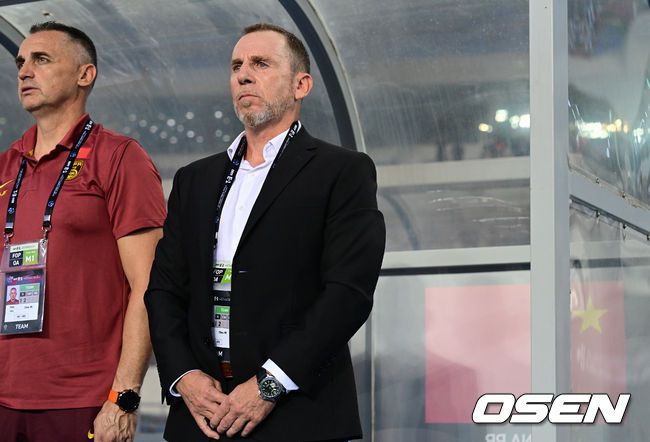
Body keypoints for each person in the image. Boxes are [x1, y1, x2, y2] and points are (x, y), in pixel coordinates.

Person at [145, 23, 385, 441]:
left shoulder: (342, 171)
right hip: (202, 415)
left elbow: (348, 293)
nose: (243, 75)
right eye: (236, 65)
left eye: (260, 63)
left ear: (301, 85)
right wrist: (184, 377)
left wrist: (269, 385)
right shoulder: (194, 179)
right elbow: (164, 289)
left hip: (298, 415)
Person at [0, 22, 166, 441]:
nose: (24, 71)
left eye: (41, 59)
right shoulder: (6, 165)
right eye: (20, 63)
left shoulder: (119, 157)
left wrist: (124, 396)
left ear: (84, 74)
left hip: (83, 399)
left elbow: (150, 285)